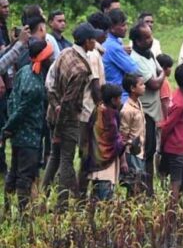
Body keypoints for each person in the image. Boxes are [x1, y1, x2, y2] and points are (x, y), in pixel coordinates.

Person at [50, 22, 100, 206]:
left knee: (55, 156)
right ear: (87, 42)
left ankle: (45, 194)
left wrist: (54, 105)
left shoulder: (65, 53)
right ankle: (62, 203)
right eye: (93, 39)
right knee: (66, 160)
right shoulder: (81, 69)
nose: (95, 43)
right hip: (68, 118)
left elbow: (51, 83)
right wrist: (58, 131)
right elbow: (69, 102)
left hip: (55, 111)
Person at [3, 38, 53, 210]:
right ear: (43, 58)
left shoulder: (24, 71)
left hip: (19, 134)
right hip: (28, 135)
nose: (52, 59)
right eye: (49, 56)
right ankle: (23, 214)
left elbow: (11, 100)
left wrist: (11, 128)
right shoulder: (35, 86)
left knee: (13, 171)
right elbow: (22, 110)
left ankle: (6, 210)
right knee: (25, 175)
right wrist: (8, 127)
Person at [129, 22, 166, 194]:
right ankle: (143, 190)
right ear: (137, 41)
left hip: (152, 111)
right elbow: (155, 83)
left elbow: (159, 73)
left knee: (150, 152)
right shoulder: (136, 60)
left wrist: (161, 73)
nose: (151, 40)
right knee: (144, 153)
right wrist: (164, 72)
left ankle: (148, 190)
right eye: (147, 38)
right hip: (145, 112)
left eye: (151, 36)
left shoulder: (149, 54)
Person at [159, 63, 183, 205]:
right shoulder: (180, 102)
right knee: (176, 184)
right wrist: (162, 146)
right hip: (176, 148)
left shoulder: (181, 96)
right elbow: (167, 126)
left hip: (181, 148)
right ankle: (170, 217)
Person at [85, 84, 126, 201]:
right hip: (106, 166)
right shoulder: (111, 116)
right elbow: (114, 141)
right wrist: (125, 143)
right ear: (113, 100)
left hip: (94, 162)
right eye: (119, 98)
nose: (121, 101)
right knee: (106, 202)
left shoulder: (97, 110)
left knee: (95, 199)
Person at [120, 73, 146, 196]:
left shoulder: (139, 103)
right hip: (132, 153)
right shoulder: (127, 110)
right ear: (132, 88)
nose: (144, 86)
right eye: (141, 84)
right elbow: (122, 137)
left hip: (139, 152)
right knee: (134, 187)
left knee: (138, 186)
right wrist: (123, 160)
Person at [102, 9, 137, 90]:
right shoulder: (113, 46)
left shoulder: (113, 41)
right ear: (112, 28)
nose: (126, 28)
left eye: (126, 24)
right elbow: (133, 68)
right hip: (119, 93)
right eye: (122, 25)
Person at [157, 54, 174, 119]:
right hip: (163, 118)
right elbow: (165, 103)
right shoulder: (163, 83)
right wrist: (167, 119)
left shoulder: (158, 79)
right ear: (164, 68)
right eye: (170, 67)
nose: (171, 69)